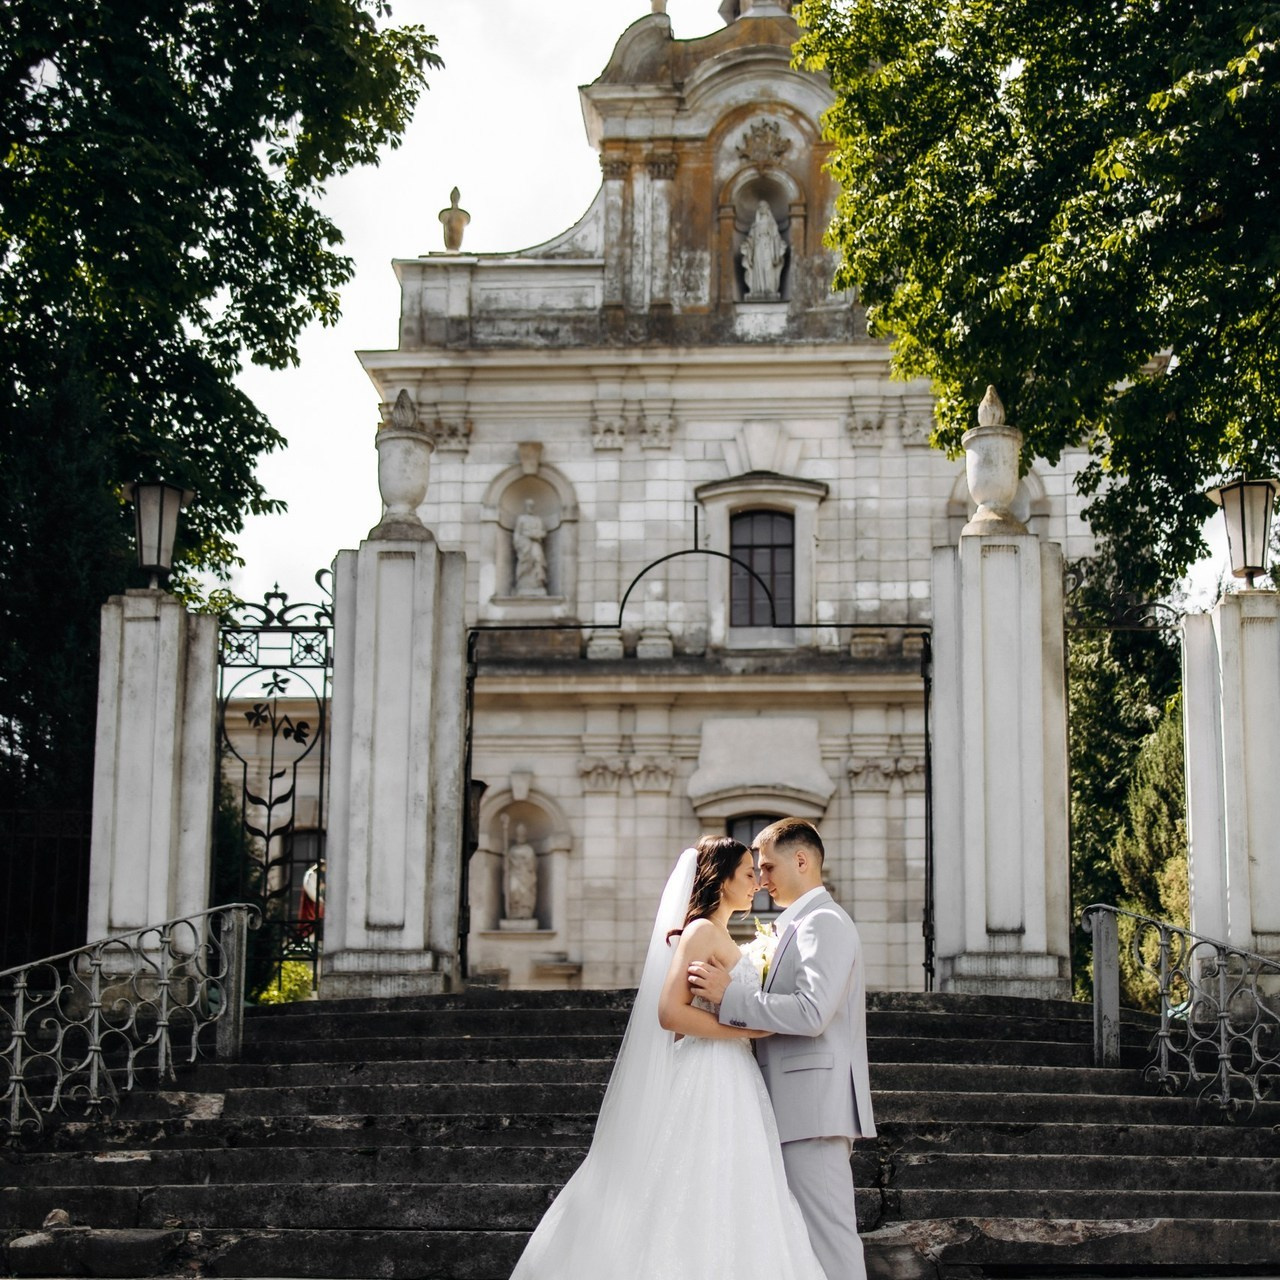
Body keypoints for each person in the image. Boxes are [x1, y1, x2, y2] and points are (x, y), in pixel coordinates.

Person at [509, 835, 829, 1279]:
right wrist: (743, 1027)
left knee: (730, 1185)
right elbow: (669, 1013)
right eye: (748, 873)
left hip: (732, 1071)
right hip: (710, 1069)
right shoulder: (700, 932)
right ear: (722, 881)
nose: (757, 882)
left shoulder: (718, 932)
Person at [689, 818, 876, 1280]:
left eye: (769, 866)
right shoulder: (798, 924)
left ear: (802, 860)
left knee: (830, 1244)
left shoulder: (824, 922)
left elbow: (813, 1012)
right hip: (790, 1109)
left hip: (811, 1109)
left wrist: (728, 997)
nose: (763, 878)